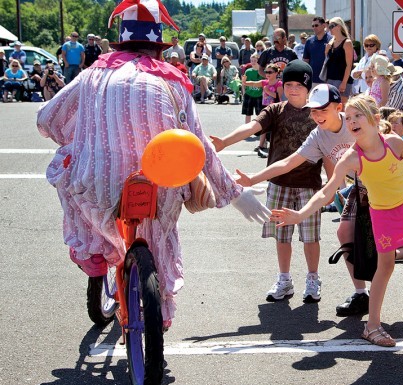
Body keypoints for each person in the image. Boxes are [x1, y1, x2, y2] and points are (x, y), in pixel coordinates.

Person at [37, 0, 269, 330]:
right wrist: (235, 195)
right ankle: (155, 305)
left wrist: (85, 132)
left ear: (121, 40)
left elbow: (48, 120)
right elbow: (198, 143)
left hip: (97, 187)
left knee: (72, 171)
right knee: (159, 228)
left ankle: (97, 257)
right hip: (159, 185)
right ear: (157, 45)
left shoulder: (92, 74)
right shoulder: (171, 80)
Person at [271, 95, 403, 344]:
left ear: (375, 120)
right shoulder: (351, 158)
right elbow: (327, 191)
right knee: (385, 265)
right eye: (349, 117)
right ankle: (372, 326)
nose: (352, 121)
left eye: (358, 116)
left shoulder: (394, 143)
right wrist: (300, 214)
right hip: (383, 213)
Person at [234, 84, 372, 313]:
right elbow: (289, 162)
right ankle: (361, 294)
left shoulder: (354, 123)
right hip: (359, 189)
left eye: (322, 110)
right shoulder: (318, 134)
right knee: (346, 234)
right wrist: (253, 178)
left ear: (339, 107)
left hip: (384, 184)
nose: (317, 115)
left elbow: (387, 143)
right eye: (313, 111)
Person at [210, 61, 321, 303]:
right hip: (279, 182)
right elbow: (252, 126)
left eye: (298, 85)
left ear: (308, 87)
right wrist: (225, 142)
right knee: (282, 236)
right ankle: (284, 279)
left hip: (310, 184)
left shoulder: (317, 112)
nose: (293, 90)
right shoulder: (276, 110)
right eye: (288, 84)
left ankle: (313, 278)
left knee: (310, 236)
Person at [324, 17, 354, 104]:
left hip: (342, 80)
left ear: (339, 26)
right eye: (329, 27)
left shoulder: (347, 42)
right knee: (331, 106)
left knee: (341, 108)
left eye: (332, 26)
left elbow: (349, 65)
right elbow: (327, 61)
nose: (330, 29)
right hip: (330, 79)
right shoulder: (331, 42)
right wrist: (327, 49)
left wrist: (344, 82)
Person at [303, 17, 331, 87]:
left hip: (328, 80)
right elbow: (305, 61)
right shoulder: (309, 41)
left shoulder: (331, 40)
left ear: (324, 25)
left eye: (316, 25)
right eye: (313, 26)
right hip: (312, 80)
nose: (314, 28)